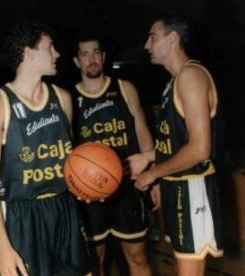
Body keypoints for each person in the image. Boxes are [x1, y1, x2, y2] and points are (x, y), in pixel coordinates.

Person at [0, 21, 89, 276]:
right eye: (50, 48)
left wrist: (86, 185)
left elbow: (71, 160)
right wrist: (2, 246)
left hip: (64, 208)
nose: (57, 54)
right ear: (28, 53)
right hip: (22, 215)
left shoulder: (62, 98)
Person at [128, 14, 223, 276]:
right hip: (177, 185)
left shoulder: (191, 77)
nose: (147, 45)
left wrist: (152, 174)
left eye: (153, 37)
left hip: (193, 186)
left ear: (172, 38)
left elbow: (199, 148)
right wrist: (148, 157)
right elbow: (176, 142)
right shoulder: (174, 82)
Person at [71, 35, 154, 276]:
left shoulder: (124, 88)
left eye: (96, 52)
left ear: (104, 57)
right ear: (77, 61)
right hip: (91, 191)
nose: (92, 59)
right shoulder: (69, 99)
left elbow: (141, 131)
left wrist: (152, 176)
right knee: (95, 260)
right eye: (85, 54)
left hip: (128, 185)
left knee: (137, 257)